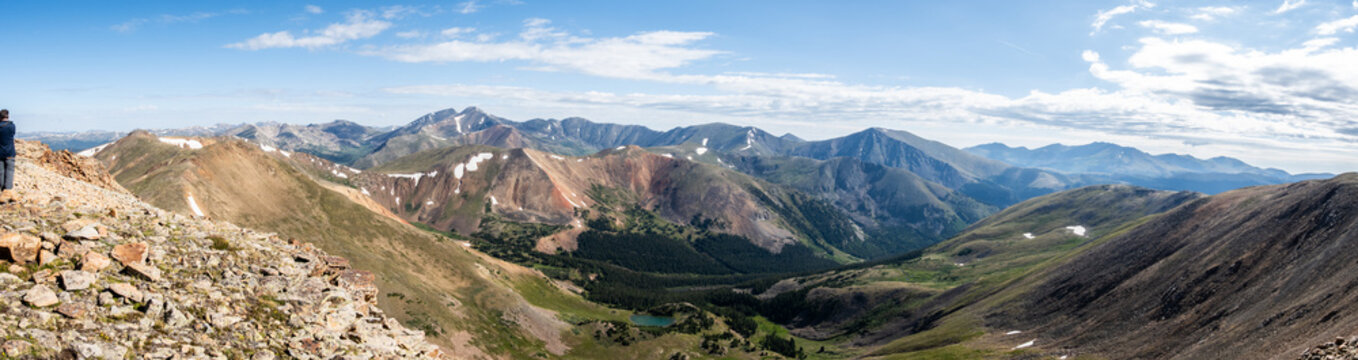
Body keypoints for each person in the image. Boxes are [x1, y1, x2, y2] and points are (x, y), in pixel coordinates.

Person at [1, 109, 14, 202]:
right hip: (10, 152)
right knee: (9, 171)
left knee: (0, 172)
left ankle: (2, 191)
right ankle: (8, 191)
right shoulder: (11, 126)